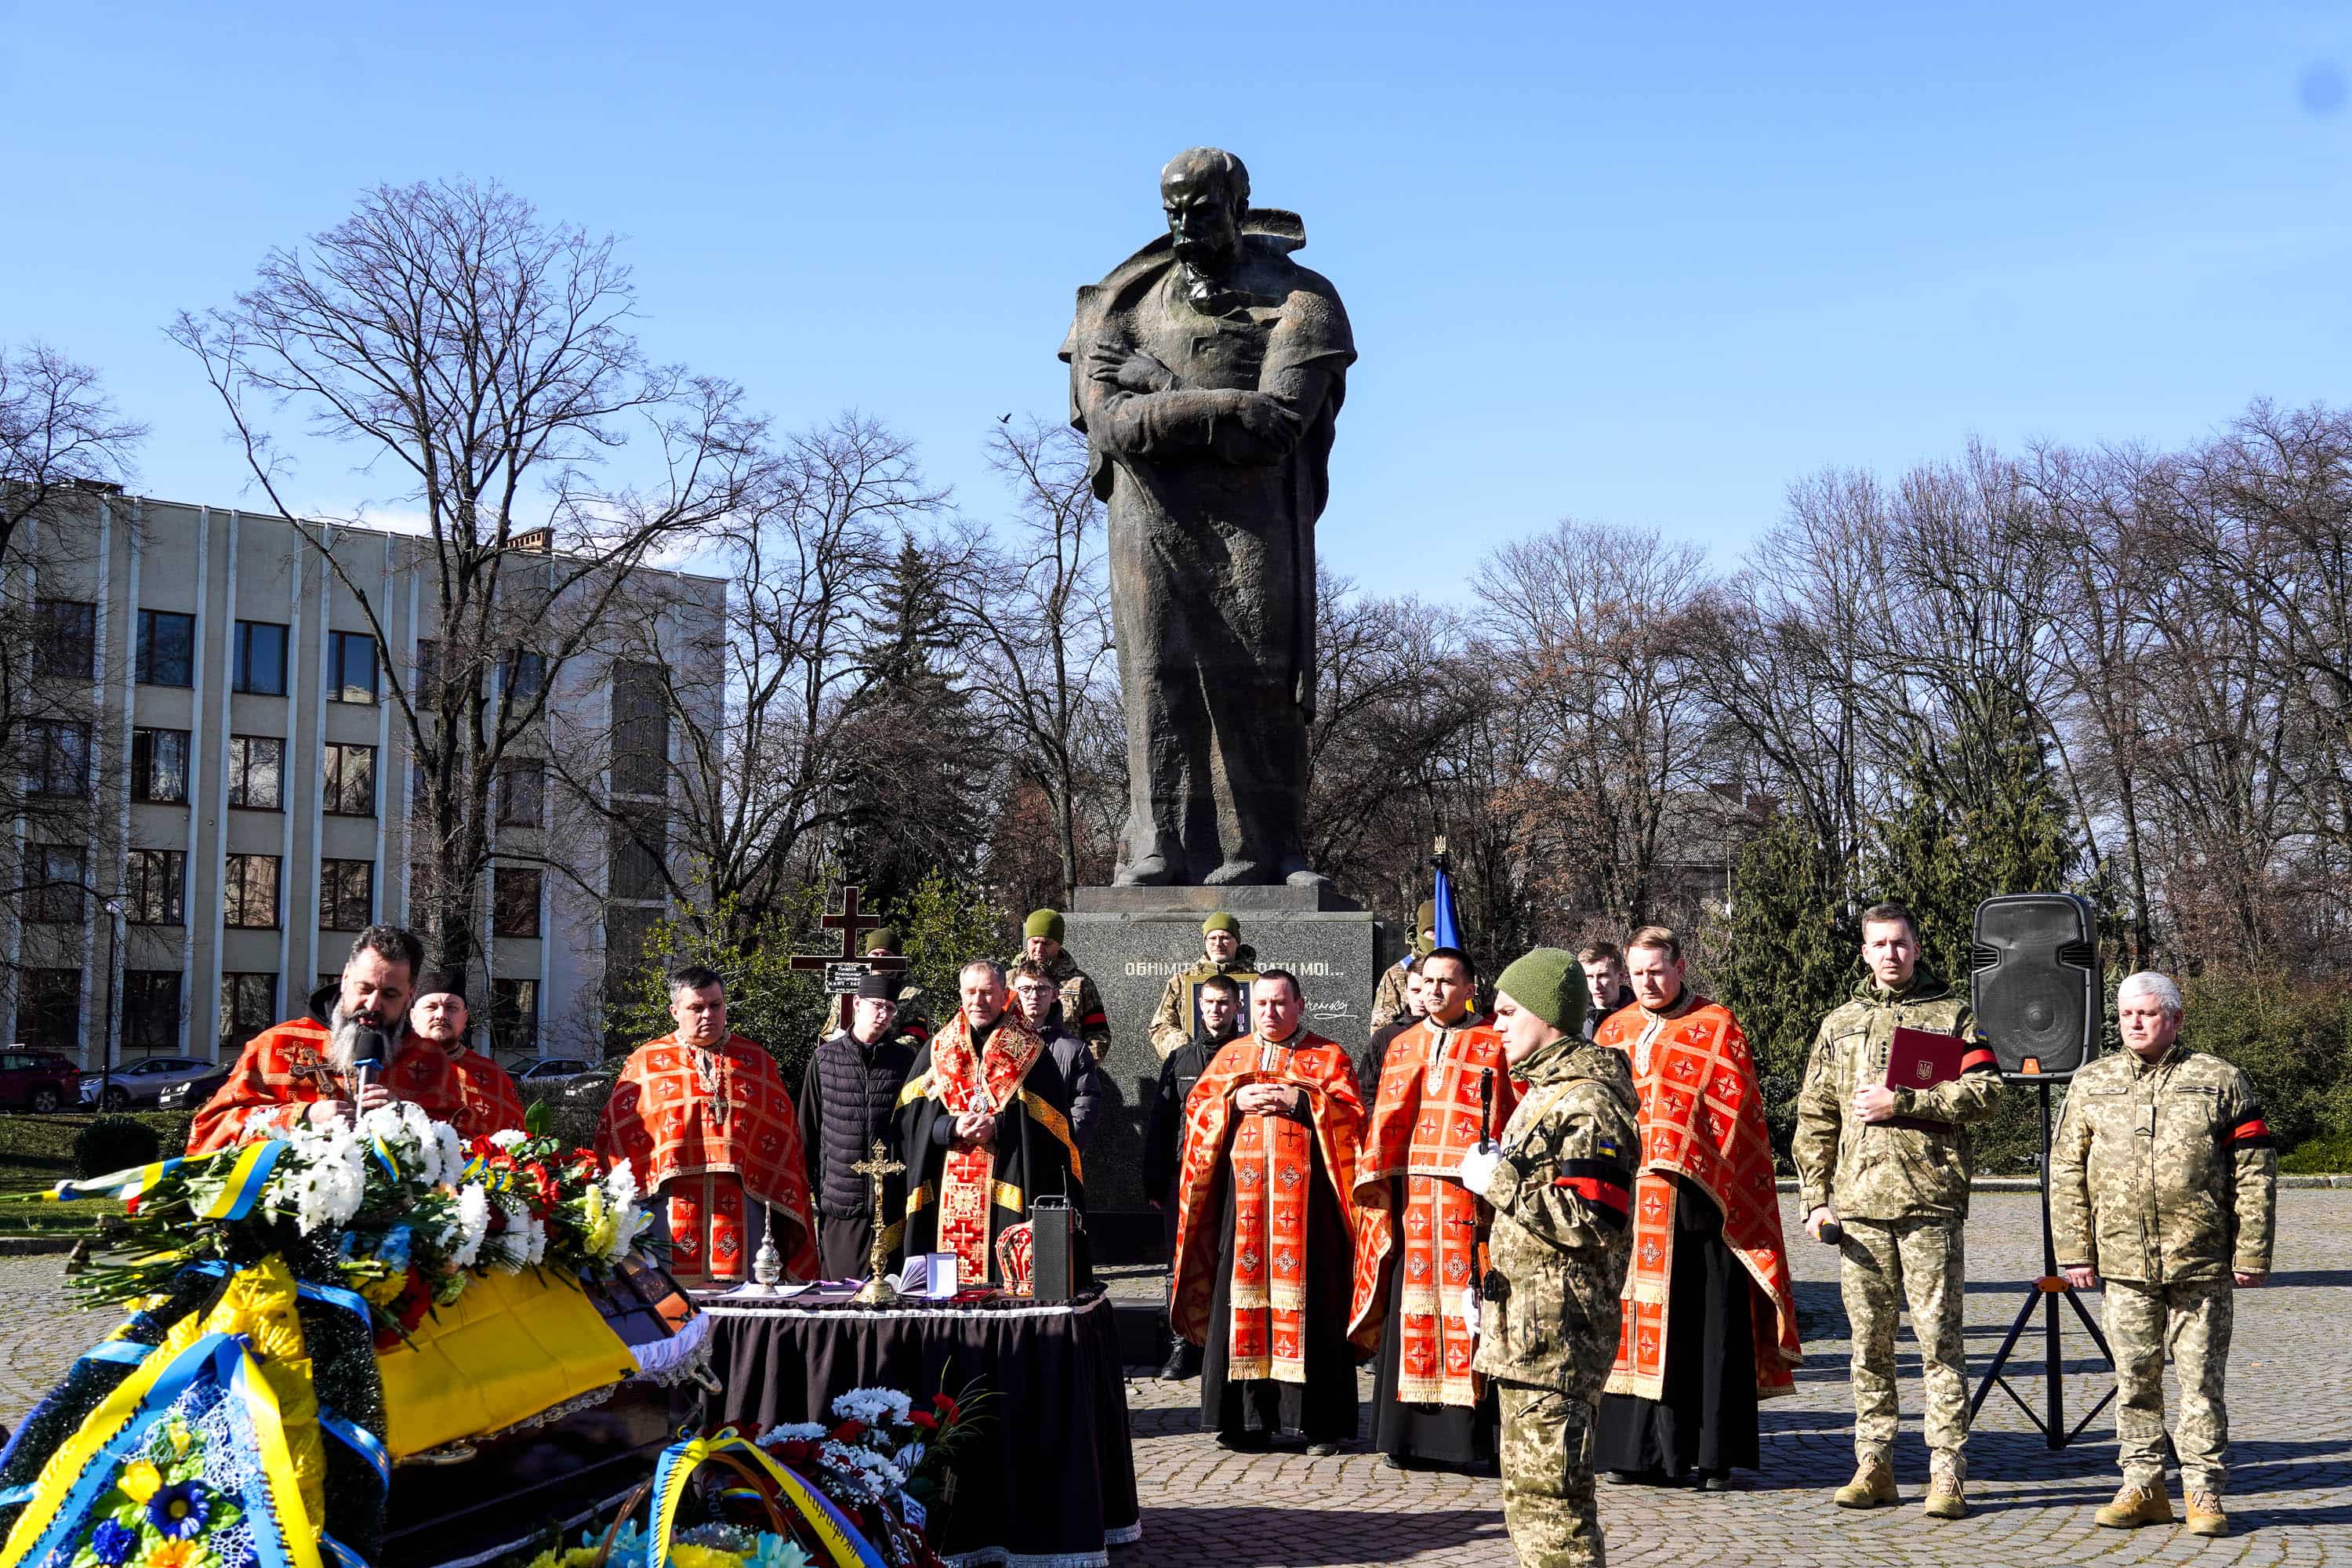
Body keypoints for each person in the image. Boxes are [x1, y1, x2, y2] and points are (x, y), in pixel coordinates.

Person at [1062, 146, 1354, 889]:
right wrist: (1225, 401)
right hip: (1148, 523)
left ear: (1238, 203)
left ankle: (1270, 849)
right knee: (1154, 678)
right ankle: (1160, 847)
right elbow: (1110, 428)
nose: (1187, 225)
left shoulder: (1301, 299)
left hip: (1254, 527)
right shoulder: (1119, 305)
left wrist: (1158, 392)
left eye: (1202, 209)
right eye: (1173, 212)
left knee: (1258, 680)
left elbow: (1276, 424)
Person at [1792, 902, 2002, 1519]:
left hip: (1928, 1202)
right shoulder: (1840, 1023)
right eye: (1879, 944)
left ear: (1916, 946)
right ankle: (1875, 1464)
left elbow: (1987, 1093)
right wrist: (1814, 1198)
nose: (1891, 954)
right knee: (1870, 1345)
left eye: (1900, 943)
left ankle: (1946, 1473)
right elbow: (1815, 1117)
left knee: (1939, 1343)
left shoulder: (1952, 1017)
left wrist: (1904, 1101)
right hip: (1858, 1209)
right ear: (1864, 951)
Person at [2051, 971, 2275, 1539]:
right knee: (2134, 1379)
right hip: (2123, 1265)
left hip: (2201, 1261)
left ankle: (2203, 1490)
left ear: (2175, 1018)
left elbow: (2254, 1171)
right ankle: (2143, 1485)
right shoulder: (2091, 1081)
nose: (2135, 1023)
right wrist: (2075, 1250)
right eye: (2126, 1014)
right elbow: (2065, 1171)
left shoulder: (2219, 1079)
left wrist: (2251, 1251)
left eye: (2147, 1014)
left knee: (2201, 1381)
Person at [1593, 927, 1802, 1492]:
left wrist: (1680, 1148)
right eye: (1637, 973)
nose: (1647, 982)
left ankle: (1708, 1455)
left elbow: (1738, 1115)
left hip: (1698, 1206)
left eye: (1657, 970)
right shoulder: (1614, 1028)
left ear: (1680, 966)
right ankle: (1633, 1453)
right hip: (1628, 1204)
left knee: (1698, 1326)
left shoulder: (1717, 1025)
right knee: (1625, 1322)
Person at [1450, 948, 1638, 1568]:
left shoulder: (1586, 1102)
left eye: (1506, 1012)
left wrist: (1498, 1181)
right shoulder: (1545, 1093)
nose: (1495, 1024)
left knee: (1555, 1515)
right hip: (1527, 1329)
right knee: (1533, 1507)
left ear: (1547, 1015)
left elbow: (1595, 1219)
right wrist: (1490, 1286)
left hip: (1557, 1339)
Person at [1169, 970, 1367, 1454]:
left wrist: (1305, 1101)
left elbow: (1355, 1122)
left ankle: (1319, 1424)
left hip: (1308, 1213)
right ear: (1247, 1007)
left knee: (1313, 1305)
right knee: (1239, 1301)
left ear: (1300, 1005)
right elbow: (1196, 1112)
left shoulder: (1329, 1056)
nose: (1270, 1013)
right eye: (1261, 1005)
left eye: (1280, 1004)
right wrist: (1232, 1102)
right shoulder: (1231, 1057)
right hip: (1244, 1208)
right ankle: (1245, 1421)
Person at [1351, 947, 1514, 1472]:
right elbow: (1385, 1128)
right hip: (1417, 1203)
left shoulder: (1495, 1045)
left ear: (1471, 988)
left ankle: (1471, 1441)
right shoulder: (1403, 1046)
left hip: (1474, 1204)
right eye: (1429, 981)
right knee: (1415, 1307)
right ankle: (1410, 1438)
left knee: (1473, 1313)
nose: (1437, 990)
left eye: (1449, 981)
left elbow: (1513, 1117)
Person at [596, 965, 821, 1287]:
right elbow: (616, 1136)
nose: (707, 1015)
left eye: (716, 1006)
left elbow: (783, 1139)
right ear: (675, 1011)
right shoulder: (645, 1063)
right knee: (672, 1303)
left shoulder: (755, 1061)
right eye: (696, 1008)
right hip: (668, 1206)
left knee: (744, 1298)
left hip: (743, 1205)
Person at [191, 926, 498, 1152]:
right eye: (364, 989)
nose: (373, 1005)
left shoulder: (429, 1060)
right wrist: (301, 1116)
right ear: (346, 976)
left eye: (390, 994)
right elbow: (207, 1134)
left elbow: (469, 1148)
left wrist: (407, 1121)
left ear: (410, 995)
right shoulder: (277, 1045)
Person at [896, 960, 1087, 1287]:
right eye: (970, 992)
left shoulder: (1031, 1051)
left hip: (1008, 1186)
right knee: (946, 1292)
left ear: (1004, 995)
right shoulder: (939, 1049)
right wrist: (950, 1128)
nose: (978, 1001)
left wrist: (998, 1127)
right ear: (961, 994)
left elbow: (1052, 1129)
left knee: (1006, 1290)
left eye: (987, 992)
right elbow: (910, 1124)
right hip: (946, 1188)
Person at [1142, 971, 1245, 1380]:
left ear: (1238, 1007)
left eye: (1224, 1003)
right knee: (1179, 1261)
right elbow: (1162, 1121)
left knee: (1232, 1259)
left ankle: (1232, 1343)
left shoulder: (1248, 1053)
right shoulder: (1181, 1059)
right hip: (1184, 1177)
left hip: (1236, 1176)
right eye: (1209, 1003)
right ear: (1197, 1007)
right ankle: (1182, 1344)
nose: (1216, 1010)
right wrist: (1154, 1178)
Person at [799, 972, 920, 1279]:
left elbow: (914, 1129)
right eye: (877, 1006)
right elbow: (809, 1129)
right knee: (840, 1298)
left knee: (893, 1298)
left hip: (892, 1202)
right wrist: (808, 1192)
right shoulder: (825, 1059)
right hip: (842, 1202)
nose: (883, 1015)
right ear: (857, 1004)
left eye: (890, 1009)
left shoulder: (905, 1062)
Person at [403, 968, 527, 1139]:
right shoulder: (389, 1068)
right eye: (431, 1007)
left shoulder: (493, 1076)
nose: (441, 1015)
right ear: (413, 1016)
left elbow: (515, 1144)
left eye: (451, 1008)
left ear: (465, 1017)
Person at [1009, 958, 1109, 1155]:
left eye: (1041, 989)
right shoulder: (998, 1045)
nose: (1033, 996)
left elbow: (1084, 1102)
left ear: (1054, 995)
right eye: (1026, 989)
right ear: (1015, 994)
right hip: (1010, 1153)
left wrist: (1065, 1145)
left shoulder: (1074, 1050)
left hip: (1055, 1154)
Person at [1149, 913, 1258, 1061]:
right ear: (1205, 942)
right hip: (1196, 1067)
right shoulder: (1181, 982)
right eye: (1212, 938)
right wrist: (1186, 1051)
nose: (1218, 943)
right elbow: (1160, 1027)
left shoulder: (1259, 982)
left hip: (1247, 1064)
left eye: (1225, 937)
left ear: (1237, 941)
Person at [1011, 909, 1111, 1060]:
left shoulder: (1080, 983)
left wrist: (1079, 1066)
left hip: (1067, 1070)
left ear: (1059, 945)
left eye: (1046, 943)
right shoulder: (1008, 981)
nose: (1039, 949)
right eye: (1034, 942)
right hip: (1017, 1072)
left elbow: (1099, 1035)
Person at [818, 927, 931, 1046]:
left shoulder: (913, 994)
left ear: (897, 960)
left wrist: (878, 1050)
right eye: (875, 954)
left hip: (890, 1061)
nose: (880, 959)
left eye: (886, 955)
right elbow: (829, 1032)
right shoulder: (848, 990)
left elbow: (917, 1038)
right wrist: (840, 1045)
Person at [1370, 902, 1438, 1035]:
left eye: (1444, 930)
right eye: (1432, 930)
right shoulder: (1397, 973)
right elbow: (1381, 1027)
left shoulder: (1466, 971)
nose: (1439, 936)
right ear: (1421, 933)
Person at [1577, 943, 1634, 1042]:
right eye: (1589, 977)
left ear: (1620, 976)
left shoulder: (1640, 1015)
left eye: (1603, 976)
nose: (1596, 985)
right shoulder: (1575, 1017)